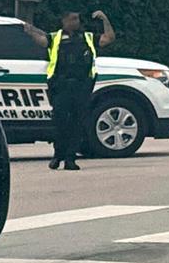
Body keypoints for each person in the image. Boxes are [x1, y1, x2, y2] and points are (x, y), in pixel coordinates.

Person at [25, 10, 115, 170]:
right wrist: (30, 31)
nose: (76, 22)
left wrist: (105, 19)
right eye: (72, 19)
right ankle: (57, 155)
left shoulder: (87, 37)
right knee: (60, 124)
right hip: (61, 87)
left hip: (81, 87)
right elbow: (41, 41)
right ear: (64, 21)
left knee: (77, 124)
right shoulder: (54, 38)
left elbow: (108, 38)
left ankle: (70, 159)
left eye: (77, 19)